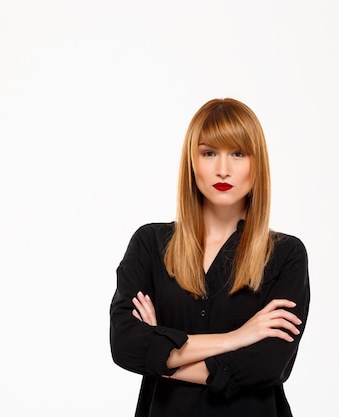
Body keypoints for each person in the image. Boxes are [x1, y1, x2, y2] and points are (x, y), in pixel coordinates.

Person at [109, 98, 310, 416]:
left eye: (238, 153)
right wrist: (238, 337)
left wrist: (163, 356)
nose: (223, 169)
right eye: (209, 153)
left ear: (257, 164)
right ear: (192, 161)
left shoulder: (286, 254)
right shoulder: (150, 244)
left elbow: (269, 365)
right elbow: (125, 345)